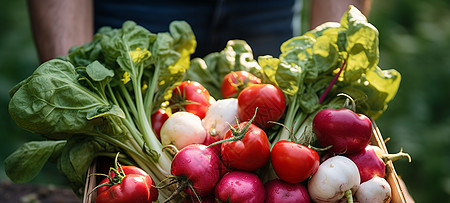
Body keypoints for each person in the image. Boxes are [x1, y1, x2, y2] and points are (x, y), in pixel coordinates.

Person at [27, 0, 371, 63]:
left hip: (267, 8)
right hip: (134, 8)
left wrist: (331, 67)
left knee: (276, 159)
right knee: (122, 173)